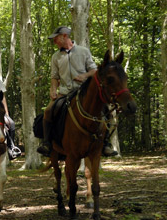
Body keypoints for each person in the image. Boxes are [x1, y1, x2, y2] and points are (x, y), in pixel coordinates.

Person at [36, 26, 118, 157]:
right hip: (64, 93)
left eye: (55, 39)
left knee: (105, 110)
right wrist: (53, 90)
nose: (54, 42)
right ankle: (46, 144)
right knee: (48, 111)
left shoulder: (83, 51)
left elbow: (94, 70)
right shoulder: (55, 57)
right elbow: (54, 77)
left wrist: (84, 76)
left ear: (64, 36)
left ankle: (106, 145)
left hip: (83, 92)